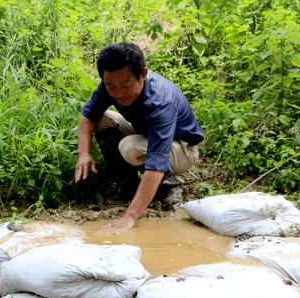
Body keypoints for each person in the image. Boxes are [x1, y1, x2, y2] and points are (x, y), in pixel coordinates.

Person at [74, 42, 204, 233]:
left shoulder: (161, 101)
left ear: (143, 74)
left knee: (130, 147)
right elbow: (88, 117)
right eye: (112, 86)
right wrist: (83, 153)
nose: (119, 94)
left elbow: (156, 162)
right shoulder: (111, 83)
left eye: (126, 85)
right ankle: (127, 186)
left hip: (182, 148)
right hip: (145, 133)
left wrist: (130, 217)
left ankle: (169, 185)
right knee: (102, 119)